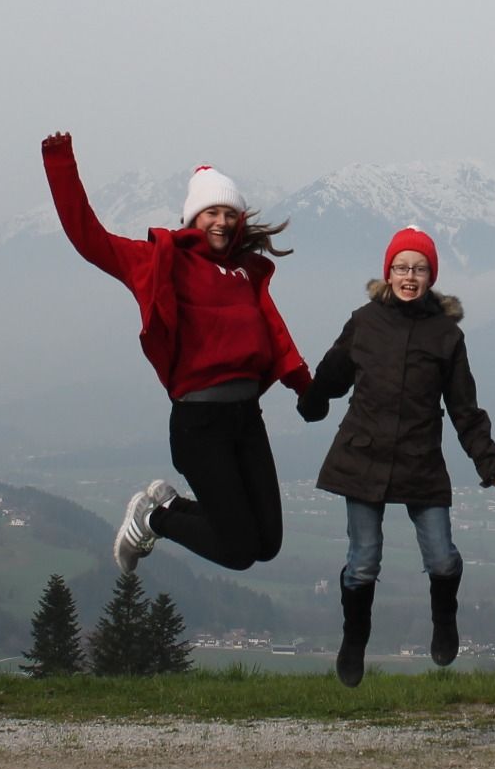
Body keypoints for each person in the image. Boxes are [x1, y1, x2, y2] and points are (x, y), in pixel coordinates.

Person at [40, 134, 311, 574]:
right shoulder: (161, 261)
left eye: (230, 214)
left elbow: (275, 334)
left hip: (247, 420)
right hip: (199, 425)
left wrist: (303, 384)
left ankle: (169, 504)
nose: (221, 222)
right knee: (239, 551)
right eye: (211, 213)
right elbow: (90, 238)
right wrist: (59, 163)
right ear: (192, 217)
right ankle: (152, 519)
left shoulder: (244, 272)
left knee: (267, 543)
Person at [298, 227, 495, 686]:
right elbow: (333, 372)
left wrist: (490, 463)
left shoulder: (447, 335)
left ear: (432, 276)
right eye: (401, 268)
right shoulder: (364, 322)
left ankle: (444, 620)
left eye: (419, 269)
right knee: (363, 560)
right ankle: (354, 640)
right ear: (388, 272)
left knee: (442, 558)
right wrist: (312, 400)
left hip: (419, 459)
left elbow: (465, 409)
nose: (410, 277)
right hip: (362, 455)